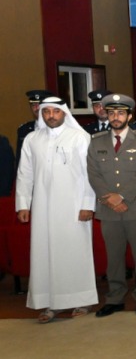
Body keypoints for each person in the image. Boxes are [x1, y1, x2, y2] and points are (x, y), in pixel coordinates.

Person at [15, 96, 98, 323]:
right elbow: (25, 173)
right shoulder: (32, 139)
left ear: (64, 113)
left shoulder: (79, 137)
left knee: (74, 252)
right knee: (45, 254)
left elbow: (90, 174)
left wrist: (87, 204)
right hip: (42, 208)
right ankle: (50, 303)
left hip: (74, 207)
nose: (51, 115)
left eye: (55, 111)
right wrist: (23, 204)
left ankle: (81, 300)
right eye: (46, 111)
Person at [88, 94, 136, 317]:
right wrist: (110, 199)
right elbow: (93, 174)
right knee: (114, 257)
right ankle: (115, 298)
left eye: (120, 113)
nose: (115, 117)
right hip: (108, 208)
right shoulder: (96, 141)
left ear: (129, 115)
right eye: (111, 113)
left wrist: (123, 197)